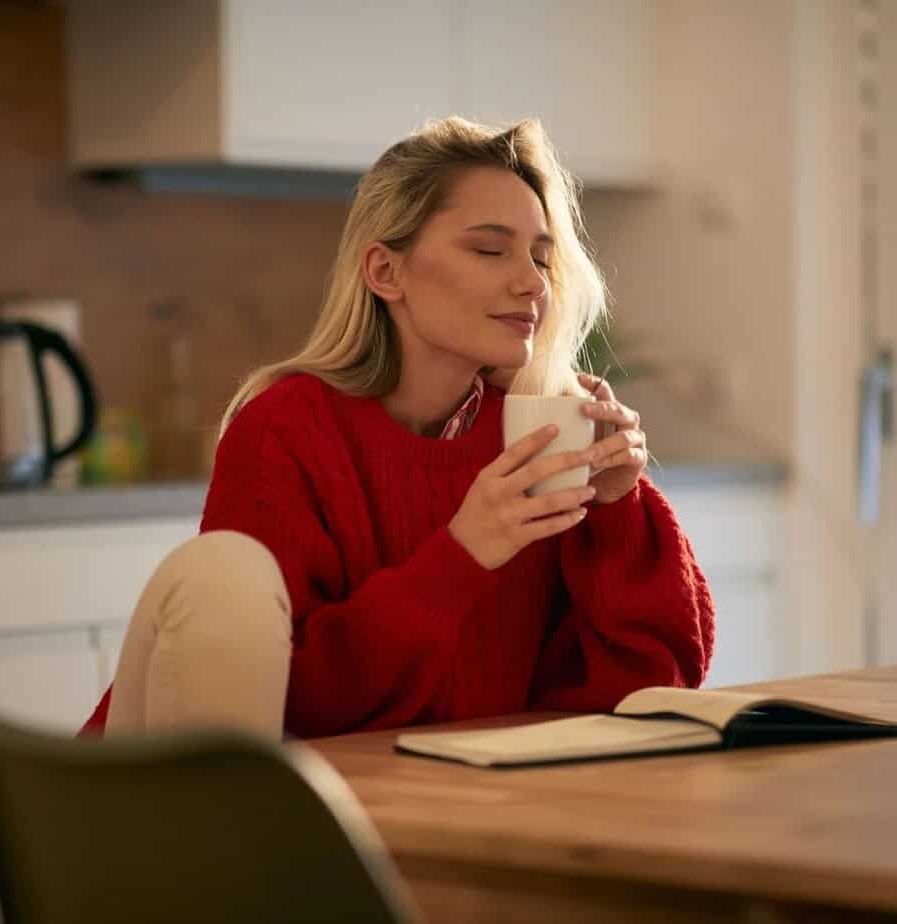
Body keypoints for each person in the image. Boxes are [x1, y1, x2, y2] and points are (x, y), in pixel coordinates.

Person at [81, 116, 715, 740]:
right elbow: (288, 707)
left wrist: (617, 508)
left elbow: (652, 692)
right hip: (227, 808)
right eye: (490, 249)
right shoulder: (286, 429)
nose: (531, 283)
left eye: (541, 259)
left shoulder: (535, 434)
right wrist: (463, 553)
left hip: (469, 810)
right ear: (386, 272)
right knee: (220, 572)